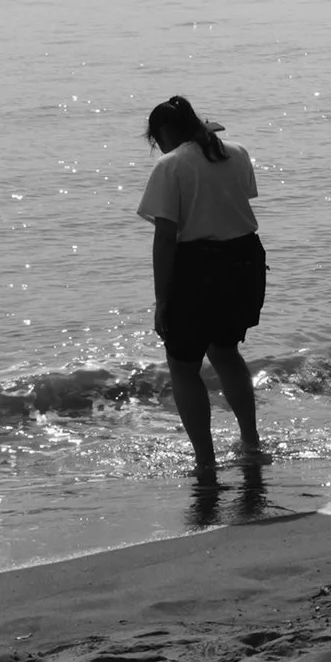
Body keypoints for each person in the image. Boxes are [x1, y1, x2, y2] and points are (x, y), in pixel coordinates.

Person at [137, 95, 269, 474]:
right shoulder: (237, 152)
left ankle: (206, 462)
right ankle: (250, 442)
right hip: (245, 262)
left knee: (182, 365)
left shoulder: (171, 165)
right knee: (225, 352)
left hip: (199, 266)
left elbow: (165, 238)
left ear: (162, 133)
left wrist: (162, 300)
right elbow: (233, 200)